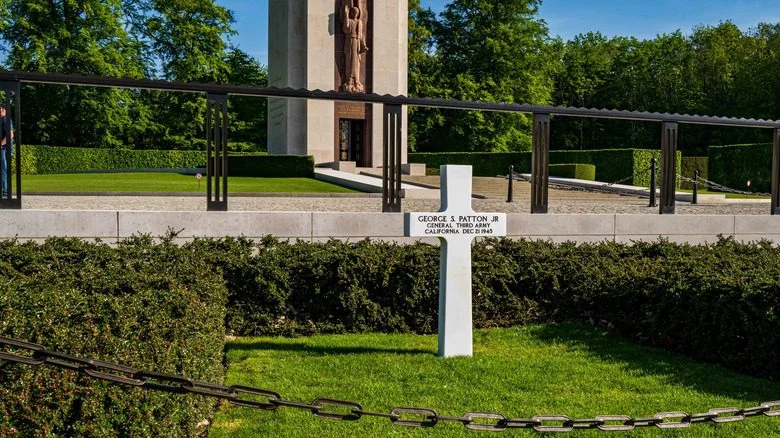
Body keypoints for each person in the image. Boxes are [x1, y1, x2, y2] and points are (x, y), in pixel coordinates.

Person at [342, 1, 368, 93]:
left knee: (356, 61)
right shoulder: (349, 21)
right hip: (349, 41)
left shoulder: (359, 22)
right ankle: (349, 79)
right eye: (353, 13)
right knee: (349, 59)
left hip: (356, 42)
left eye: (356, 13)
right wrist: (345, 14)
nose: (355, 14)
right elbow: (346, 28)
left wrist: (363, 45)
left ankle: (356, 80)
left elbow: (361, 35)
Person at [0, 104, 13, 198]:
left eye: (0, 109)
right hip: (3, 148)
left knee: (3, 169)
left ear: (4, 110)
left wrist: (1, 144)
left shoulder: (6, 120)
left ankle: (5, 191)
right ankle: (4, 190)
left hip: (4, 149)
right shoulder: (2, 120)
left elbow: (10, 135)